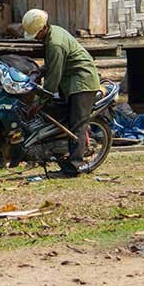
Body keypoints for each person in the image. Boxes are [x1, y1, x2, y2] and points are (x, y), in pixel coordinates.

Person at [21, 9, 100, 177]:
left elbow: (53, 77)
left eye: (36, 34)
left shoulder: (55, 43)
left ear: (42, 29)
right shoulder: (53, 33)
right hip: (70, 80)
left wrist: (39, 101)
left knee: (76, 124)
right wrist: (38, 72)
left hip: (82, 82)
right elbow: (51, 65)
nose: (35, 37)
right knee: (57, 115)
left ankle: (73, 168)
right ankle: (60, 151)